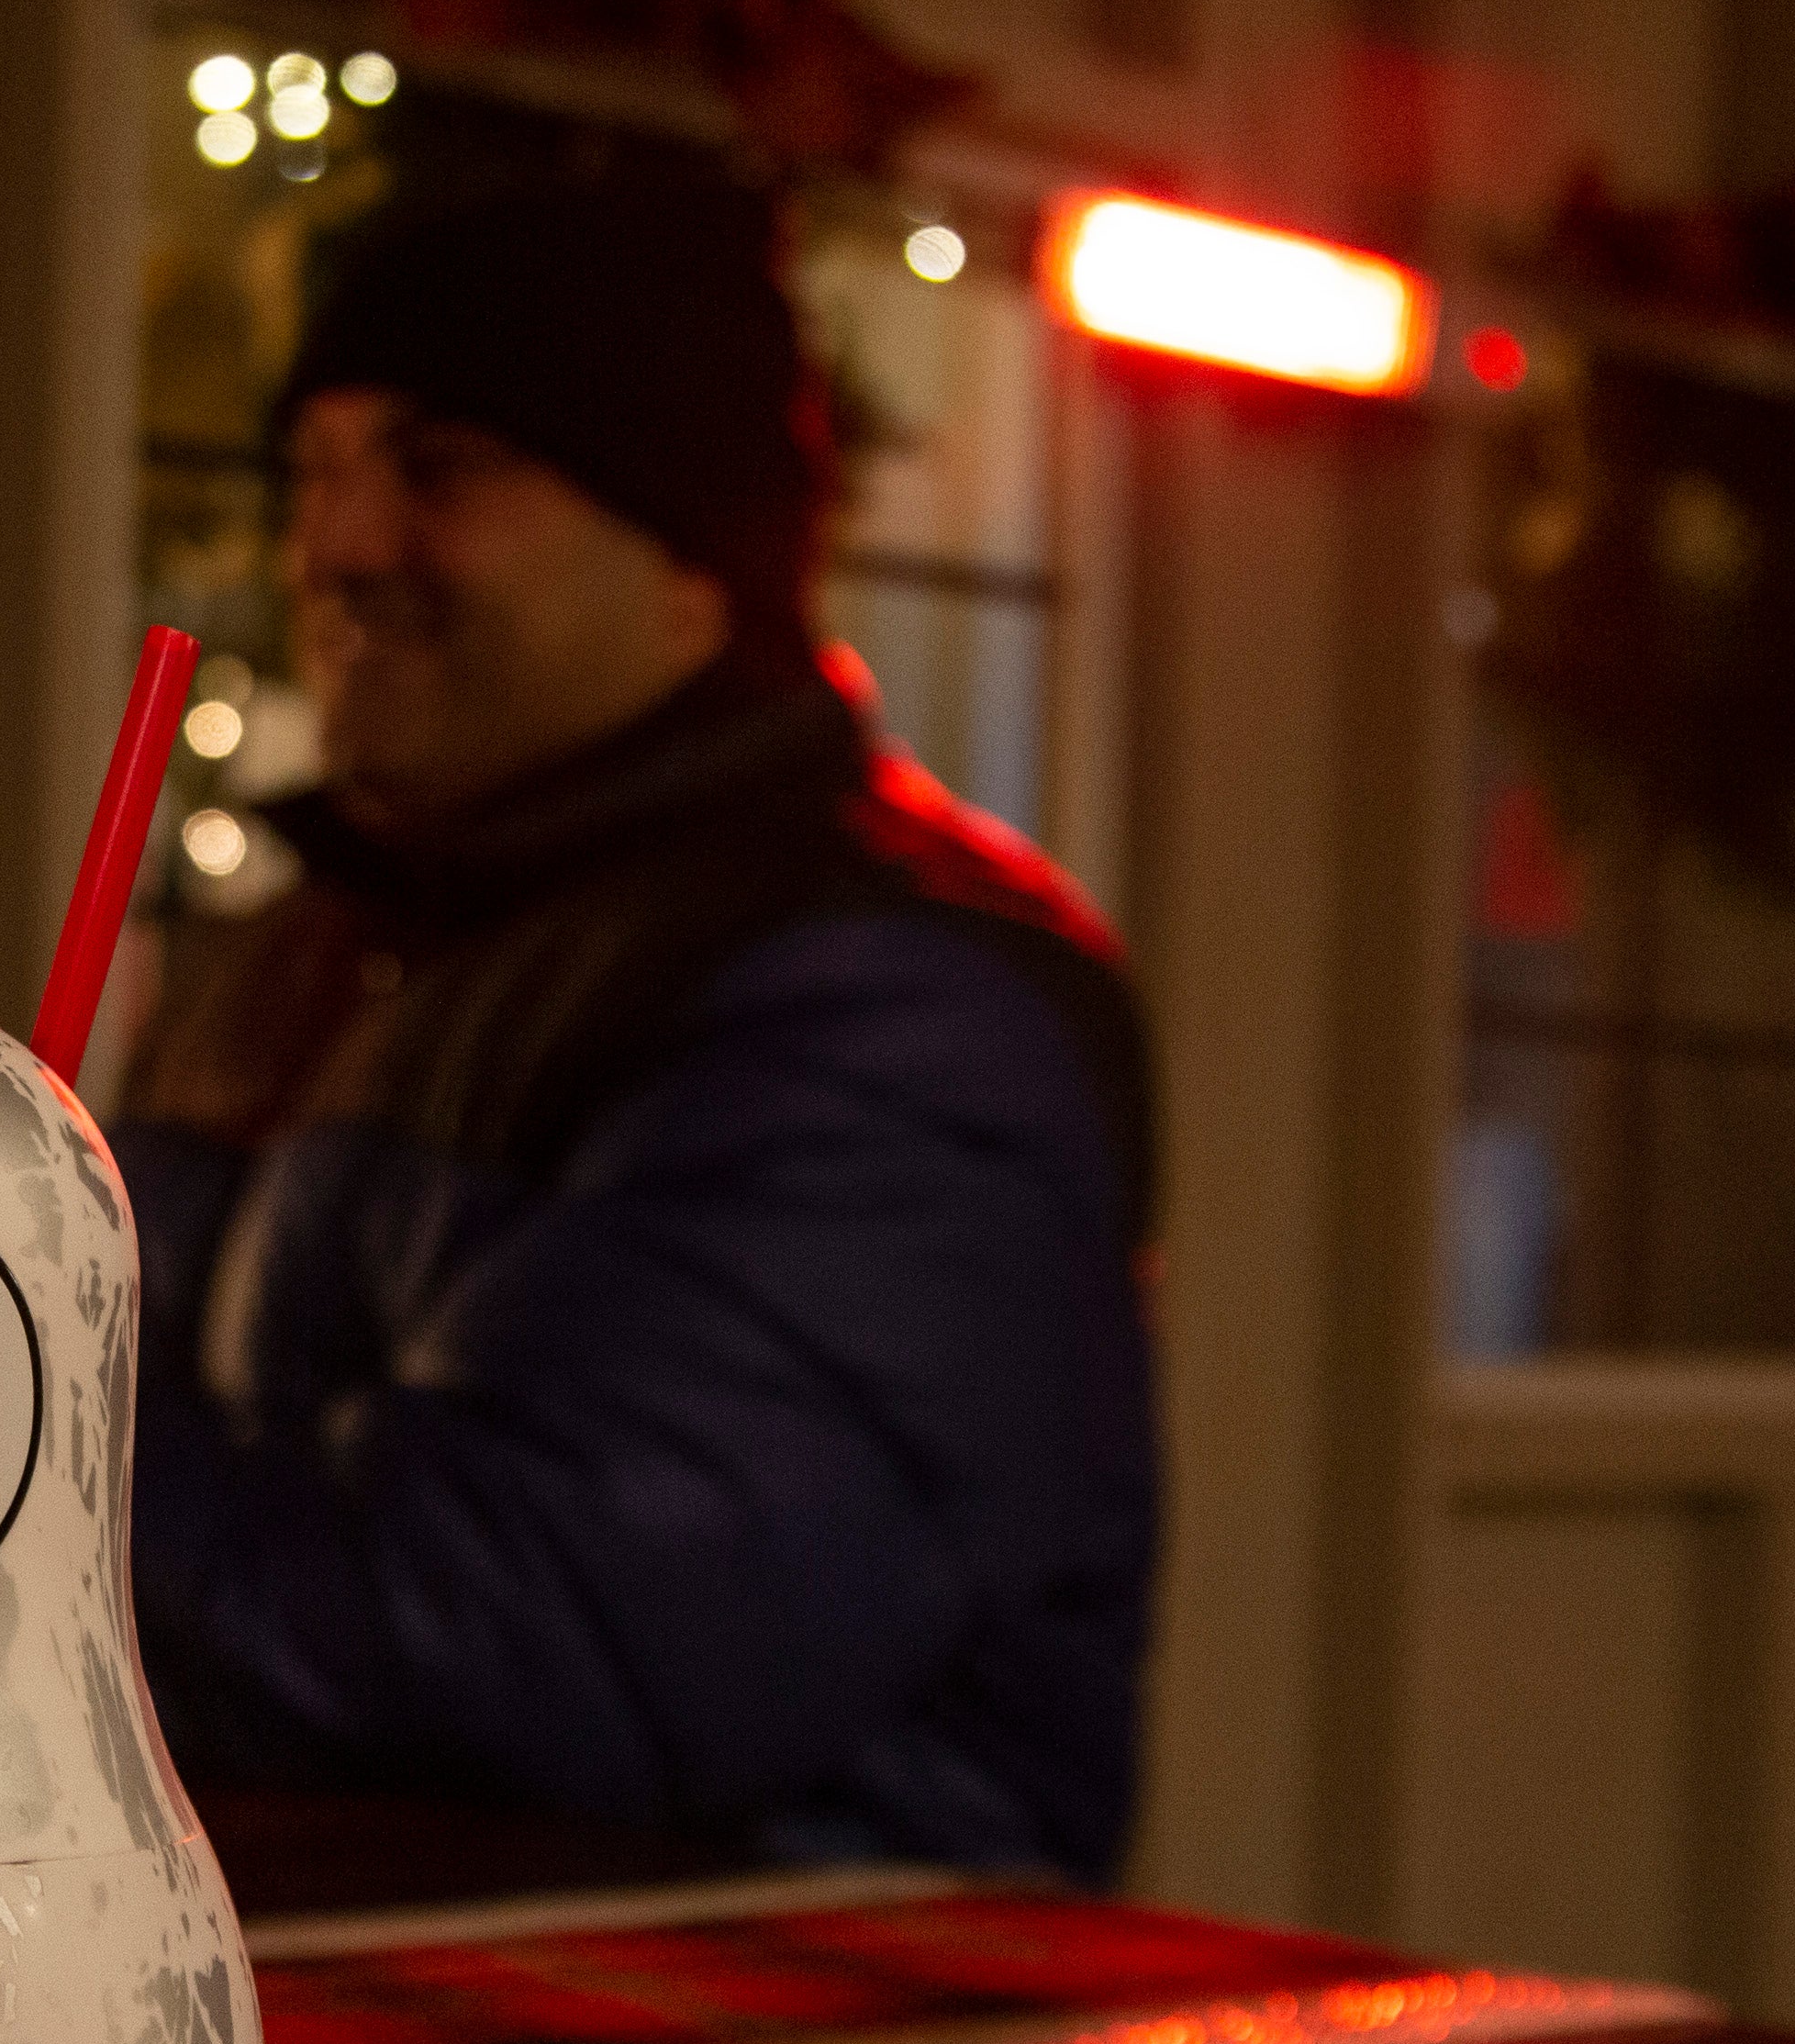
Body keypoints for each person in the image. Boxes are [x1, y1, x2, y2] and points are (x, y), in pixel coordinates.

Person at [117, 177, 1159, 1883]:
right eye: (319, 469)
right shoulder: (312, 955)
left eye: (441, 469)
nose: (341, 548)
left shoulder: (905, 1002)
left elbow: (541, 1662)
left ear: (694, 554)